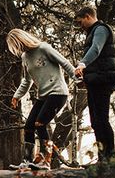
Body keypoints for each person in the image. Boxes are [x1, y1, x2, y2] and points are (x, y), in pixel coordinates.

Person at [6, 28, 76, 169]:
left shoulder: (43, 48)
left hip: (58, 93)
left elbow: (64, 62)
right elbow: (27, 81)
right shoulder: (25, 57)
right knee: (28, 126)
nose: (18, 49)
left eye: (17, 45)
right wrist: (17, 95)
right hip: (43, 96)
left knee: (40, 123)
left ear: (22, 39)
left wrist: (77, 77)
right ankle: (26, 162)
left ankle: (45, 161)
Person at [73, 6, 115, 161]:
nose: (80, 26)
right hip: (97, 79)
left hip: (104, 78)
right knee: (96, 121)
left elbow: (96, 49)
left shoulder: (100, 29)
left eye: (80, 22)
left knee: (101, 119)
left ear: (88, 16)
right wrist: (86, 78)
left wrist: (82, 64)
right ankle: (103, 159)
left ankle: (109, 159)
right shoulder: (93, 32)